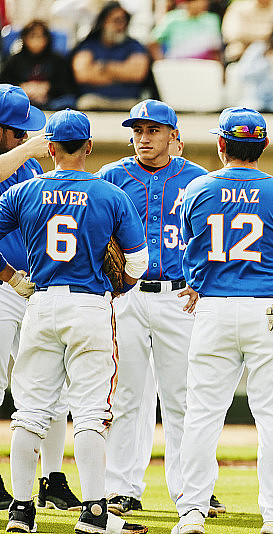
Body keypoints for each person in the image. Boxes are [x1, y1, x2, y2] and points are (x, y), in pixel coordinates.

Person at [0, 108, 149, 534]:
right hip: (90, 305)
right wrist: (118, 286)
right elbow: (138, 261)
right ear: (88, 147)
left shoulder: (23, 191)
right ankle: (95, 512)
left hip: (41, 302)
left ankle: (22, 511)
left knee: (29, 414)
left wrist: (10, 276)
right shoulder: (110, 194)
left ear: (48, 149)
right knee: (89, 414)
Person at [175, 107, 273, 534]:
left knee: (200, 415)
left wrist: (199, 281)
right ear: (264, 145)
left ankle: (192, 511)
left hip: (212, 306)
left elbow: (190, 247)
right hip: (270, 309)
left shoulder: (197, 188)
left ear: (221, 144)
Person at [96, 99, 226, 517]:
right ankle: (121, 487)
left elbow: (212, 241)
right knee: (127, 397)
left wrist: (203, 285)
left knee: (184, 397)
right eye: (137, 130)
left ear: (174, 136)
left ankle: (193, 489)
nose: (143, 137)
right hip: (126, 296)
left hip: (178, 295)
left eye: (153, 130)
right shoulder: (111, 176)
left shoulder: (197, 179)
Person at [0, 84, 84, 515]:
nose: (24, 139)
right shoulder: (14, 161)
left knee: (51, 391)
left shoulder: (30, 172)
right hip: (2, 285)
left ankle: (52, 478)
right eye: (16, 132)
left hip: (34, 287)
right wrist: (8, 276)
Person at [71, 1, 152, 111]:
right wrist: (122, 72)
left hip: (128, 102)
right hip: (95, 101)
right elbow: (83, 75)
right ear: (103, 22)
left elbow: (137, 73)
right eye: (116, 20)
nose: (120, 26)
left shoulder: (134, 46)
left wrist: (103, 67)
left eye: (123, 21)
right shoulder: (88, 45)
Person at [0, 19, 77, 110]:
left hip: (51, 101)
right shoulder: (14, 60)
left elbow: (67, 85)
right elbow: (4, 82)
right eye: (33, 36)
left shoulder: (57, 60)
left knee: (68, 101)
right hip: (22, 101)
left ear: (47, 38)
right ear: (24, 38)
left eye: (41, 36)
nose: (37, 40)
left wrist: (47, 87)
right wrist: (22, 88)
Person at [149, 0, 223, 61]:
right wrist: (161, 62)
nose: (201, 4)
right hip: (177, 65)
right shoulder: (173, 18)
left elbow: (215, 51)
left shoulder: (212, 19)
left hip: (204, 67)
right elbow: (153, 41)